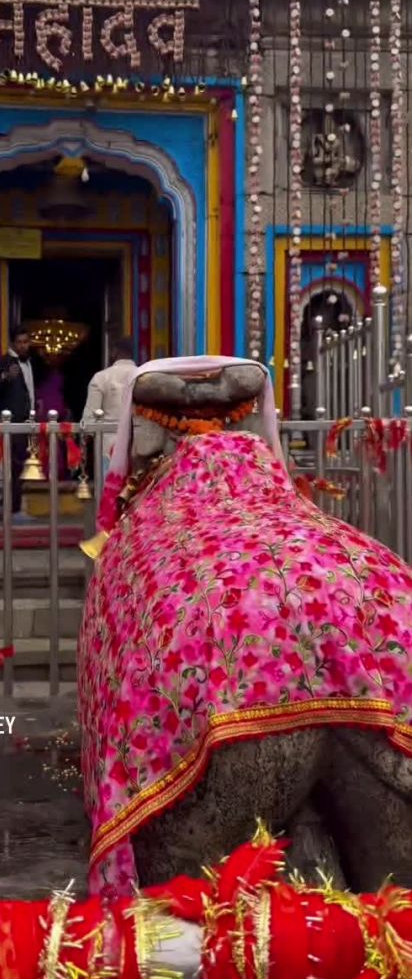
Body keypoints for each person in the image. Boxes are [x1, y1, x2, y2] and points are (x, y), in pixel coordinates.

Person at [77, 355, 412, 899]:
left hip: (230, 689)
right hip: (376, 669)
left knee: (202, 922)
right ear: (256, 423)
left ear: (143, 434)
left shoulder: (142, 538)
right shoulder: (340, 543)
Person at [0, 325, 36, 515]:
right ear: (12, 343)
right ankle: (11, 507)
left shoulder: (29, 363)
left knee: (22, 465)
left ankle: (10, 504)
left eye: (26, 342)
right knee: (14, 465)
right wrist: (6, 377)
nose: (23, 345)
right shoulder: (5, 361)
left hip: (26, 422)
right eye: (20, 342)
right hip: (12, 423)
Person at [82, 337, 137, 471]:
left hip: (109, 449)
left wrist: (84, 443)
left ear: (114, 352)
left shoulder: (101, 378)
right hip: (138, 447)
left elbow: (88, 421)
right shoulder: (143, 376)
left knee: (109, 483)